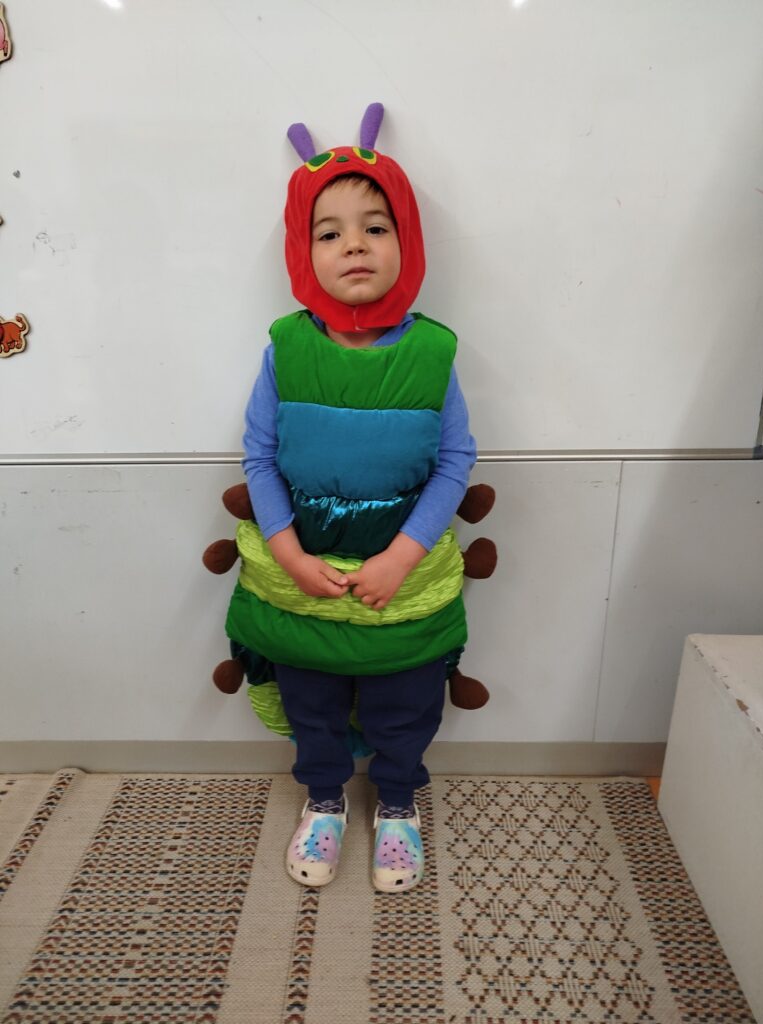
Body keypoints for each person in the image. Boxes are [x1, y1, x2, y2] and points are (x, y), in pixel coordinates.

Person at [235, 104, 476, 893]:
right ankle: (326, 798)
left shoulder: (433, 353)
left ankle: (398, 802)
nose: (356, 246)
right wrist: (286, 552)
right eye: (330, 232)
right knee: (311, 696)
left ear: (406, 240)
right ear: (303, 251)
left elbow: (454, 461)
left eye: (376, 227)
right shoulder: (286, 350)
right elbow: (260, 456)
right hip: (305, 576)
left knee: (406, 698)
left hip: (402, 579)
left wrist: (403, 557)